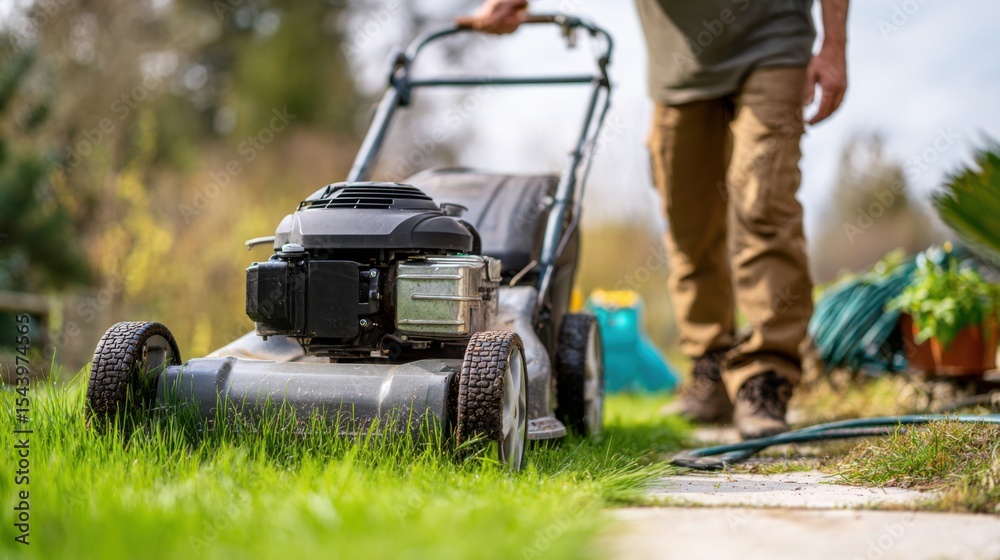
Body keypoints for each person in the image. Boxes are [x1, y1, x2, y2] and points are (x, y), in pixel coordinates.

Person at [462, 0, 847, 439]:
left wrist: (834, 45)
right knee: (687, 222)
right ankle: (711, 365)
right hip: (678, 64)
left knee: (763, 207)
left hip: (773, 40)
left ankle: (765, 377)